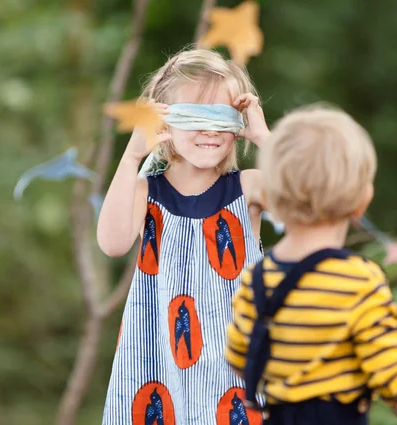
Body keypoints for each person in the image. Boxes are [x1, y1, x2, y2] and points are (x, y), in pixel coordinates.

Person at [97, 48, 271, 425]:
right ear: (163, 122)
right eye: (195, 116)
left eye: (222, 118)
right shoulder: (145, 191)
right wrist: (130, 159)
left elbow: (310, 199)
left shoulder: (251, 188)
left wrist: (262, 136)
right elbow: (112, 244)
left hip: (235, 370)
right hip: (159, 366)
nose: (210, 130)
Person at [225, 104, 397, 425]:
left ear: (271, 197)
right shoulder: (359, 280)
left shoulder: (258, 277)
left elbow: (238, 358)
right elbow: (395, 381)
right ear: (362, 201)